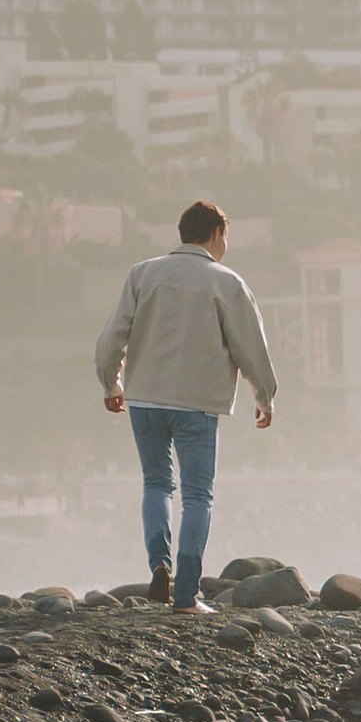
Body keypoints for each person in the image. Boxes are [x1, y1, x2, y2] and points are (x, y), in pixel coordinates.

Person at [95, 199, 278, 609]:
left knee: (156, 483)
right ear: (216, 234)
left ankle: (160, 566)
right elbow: (251, 346)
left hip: (144, 399)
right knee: (197, 495)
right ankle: (186, 594)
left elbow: (111, 337)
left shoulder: (142, 273)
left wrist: (112, 383)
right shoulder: (226, 282)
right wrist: (263, 395)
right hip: (197, 404)